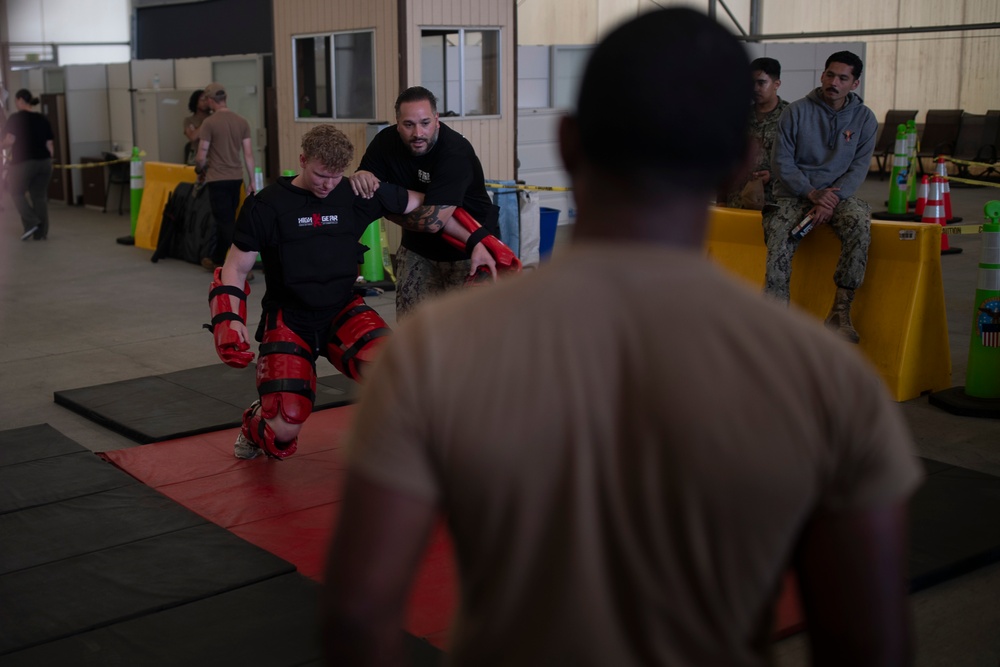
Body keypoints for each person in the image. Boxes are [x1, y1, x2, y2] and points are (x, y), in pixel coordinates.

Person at [321, 8, 921, 667]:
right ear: (742, 162)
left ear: (568, 143)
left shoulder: (428, 356)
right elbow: (867, 644)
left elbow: (357, 617)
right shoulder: (828, 380)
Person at [208, 124, 495, 461]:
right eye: (320, 175)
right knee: (283, 430)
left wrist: (479, 241)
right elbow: (235, 267)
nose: (327, 184)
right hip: (290, 318)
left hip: (343, 311)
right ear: (302, 160)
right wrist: (229, 318)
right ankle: (255, 422)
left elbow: (433, 206)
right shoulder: (266, 205)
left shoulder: (357, 193)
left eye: (335, 176)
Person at [349, 86, 502, 318]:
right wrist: (362, 175)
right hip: (418, 247)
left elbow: (432, 222)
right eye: (408, 124)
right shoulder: (385, 142)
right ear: (398, 123)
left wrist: (385, 206)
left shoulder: (455, 153)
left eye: (425, 123)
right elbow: (366, 189)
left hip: (469, 248)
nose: (418, 133)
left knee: (464, 330)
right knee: (412, 326)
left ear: (437, 120)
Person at [764, 51, 879, 343]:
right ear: (822, 75)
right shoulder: (796, 112)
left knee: (859, 224)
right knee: (779, 239)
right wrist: (812, 193)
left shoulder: (865, 119)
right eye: (830, 75)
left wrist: (830, 200)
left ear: (854, 83)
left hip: (837, 196)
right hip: (793, 195)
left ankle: (840, 312)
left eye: (843, 78)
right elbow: (781, 162)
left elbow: (858, 168)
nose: (834, 83)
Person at [194, 82, 255, 271]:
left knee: (225, 222)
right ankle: (217, 259)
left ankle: (242, 266)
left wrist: (199, 169)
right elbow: (248, 154)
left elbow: (201, 155)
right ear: (225, 98)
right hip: (236, 179)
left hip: (217, 180)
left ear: (211, 100)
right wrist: (252, 181)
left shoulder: (209, 123)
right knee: (226, 220)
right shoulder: (242, 121)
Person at [724, 57, 788, 209]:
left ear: (776, 84)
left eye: (761, 83)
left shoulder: (790, 116)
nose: (755, 88)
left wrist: (772, 175)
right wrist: (721, 199)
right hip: (737, 200)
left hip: (774, 203)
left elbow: (801, 161)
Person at [1, 89, 54, 241]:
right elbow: (50, 145)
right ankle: (41, 233)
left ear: (19, 100)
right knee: (39, 196)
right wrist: (49, 161)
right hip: (45, 163)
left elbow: (9, 140)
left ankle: (31, 222)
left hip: (23, 162)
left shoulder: (15, 118)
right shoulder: (42, 118)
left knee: (16, 192)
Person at [183, 89, 210, 165]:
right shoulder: (189, 120)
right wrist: (205, 122)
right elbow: (193, 137)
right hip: (195, 155)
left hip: (211, 155)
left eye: (207, 100)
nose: (205, 102)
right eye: (202, 100)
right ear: (195, 102)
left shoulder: (213, 117)